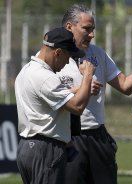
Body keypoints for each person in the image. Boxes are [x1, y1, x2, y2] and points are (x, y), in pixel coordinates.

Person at [57, 4, 132, 184]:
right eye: (87, 29)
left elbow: (125, 86)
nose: (92, 34)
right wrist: (81, 89)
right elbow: (45, 96)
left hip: (98, 137)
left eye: (93, 29)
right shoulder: (53, 56)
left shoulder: (98, 54)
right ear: (69, 27)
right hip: (68, 137)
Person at [15, 27, 95, 184]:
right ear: (57, 52)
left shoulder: (27, 70)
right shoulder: (46, 77)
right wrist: (88, 76)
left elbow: (48, 96)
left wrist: (79, 89)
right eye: (68, 57)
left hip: (28, 147)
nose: (67, 63)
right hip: (45, 148)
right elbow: (77, 107)